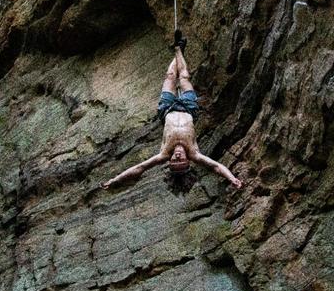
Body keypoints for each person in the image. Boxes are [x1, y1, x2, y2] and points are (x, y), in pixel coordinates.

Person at [101, 32, 242, 190]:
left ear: (170, 161)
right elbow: (216, 167)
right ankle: (178, 50)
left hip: (167, 109)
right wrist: (232, 178)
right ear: (188, 161)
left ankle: (178, 49)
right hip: (189, 108)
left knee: (169, 76)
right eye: (181, 160)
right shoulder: (195, 153)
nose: (178, 156)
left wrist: (116, 180)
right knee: (184, 78)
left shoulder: (163, 154)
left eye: (175, 161)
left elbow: (139, 168)